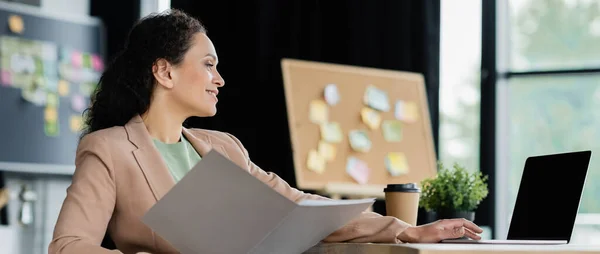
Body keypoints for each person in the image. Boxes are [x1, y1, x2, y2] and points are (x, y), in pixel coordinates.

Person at [49, 9, 483, 254]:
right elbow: (68, 246)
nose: (219, 79)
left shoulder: (224, 148)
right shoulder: (108, 149)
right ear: (163, 71)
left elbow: (299, 206)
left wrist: (405, 230)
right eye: (208, 64)